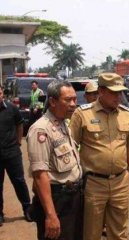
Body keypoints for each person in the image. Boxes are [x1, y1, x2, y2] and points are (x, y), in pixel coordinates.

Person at [69, 73, 129, 240]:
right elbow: (71, 148)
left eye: (120, 92)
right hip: (94, 184)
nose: (118, 97)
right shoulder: (83, 114)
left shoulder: (125, 114)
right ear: (101, 91)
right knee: (91, 233)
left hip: (120, 182)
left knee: (119, 233)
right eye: (113, 92)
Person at [27, 80, 83, 240]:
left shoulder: (63, 123)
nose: (73, 104)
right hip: (57, 200)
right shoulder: (41, 129)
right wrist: (51, 215)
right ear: (52, 101)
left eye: (75, 99)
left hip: (72, 198)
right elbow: (40, 175)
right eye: (68, 100)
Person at [0, 85, 31, 226]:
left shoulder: (12, 108)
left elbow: (20, 125)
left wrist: (18, 142)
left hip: (12, 152)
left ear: (2, 93)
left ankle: (28, 209)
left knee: (19, 181)